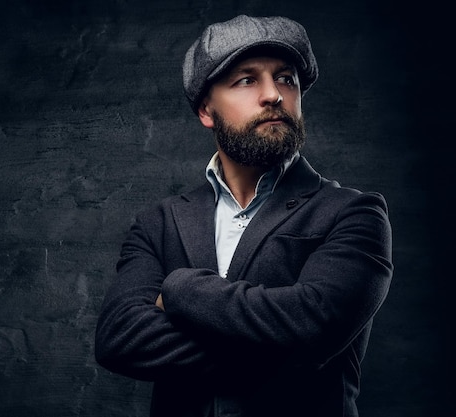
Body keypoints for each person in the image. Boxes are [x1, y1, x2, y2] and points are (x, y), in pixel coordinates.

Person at [95, 14, 393, 417]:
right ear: (206, 110)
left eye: (286, 79)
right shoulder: (158, 224)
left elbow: (314, 329)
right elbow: (120, 340)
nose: (274, 95)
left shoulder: (353, 213)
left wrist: (181, 288)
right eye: (246, 80)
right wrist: (274, 341)